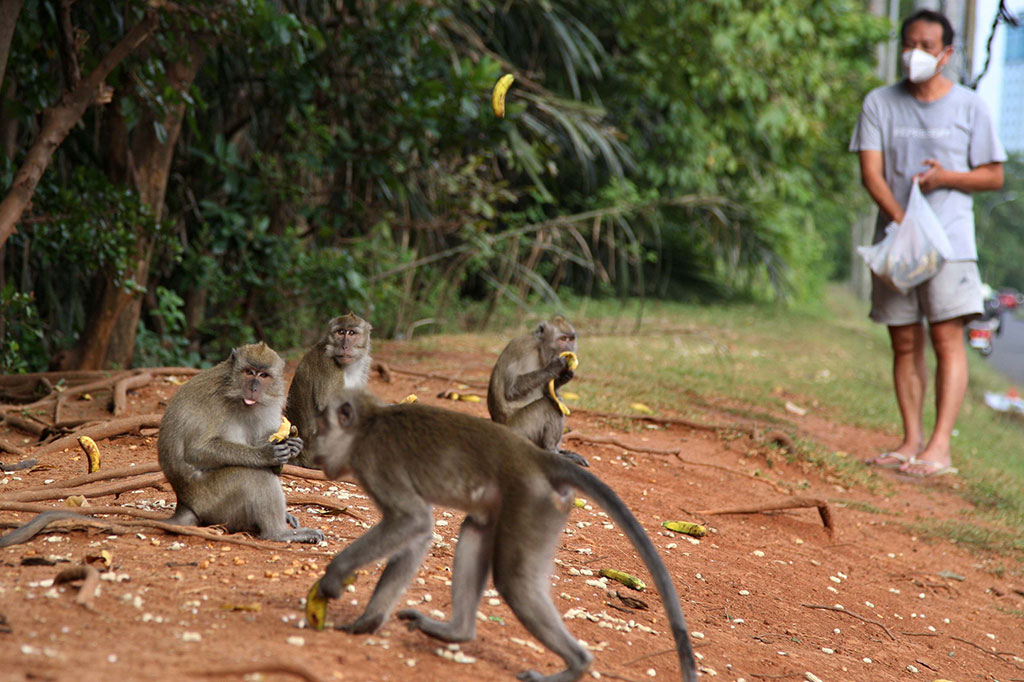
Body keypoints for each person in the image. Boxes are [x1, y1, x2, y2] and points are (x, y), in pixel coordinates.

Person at [849, 9, 1006, 477]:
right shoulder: (879, 102)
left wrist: (945, 178)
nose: (915, 53)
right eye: (909, 43)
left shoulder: (970, 106)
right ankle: (910, 440)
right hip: (897, 241)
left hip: (952, 242)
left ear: (947, 54)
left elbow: (994, 175)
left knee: (946, 338)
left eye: (927, 46)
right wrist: (905, 224)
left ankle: (939, 448)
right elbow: (870, 174)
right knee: (903, 342)